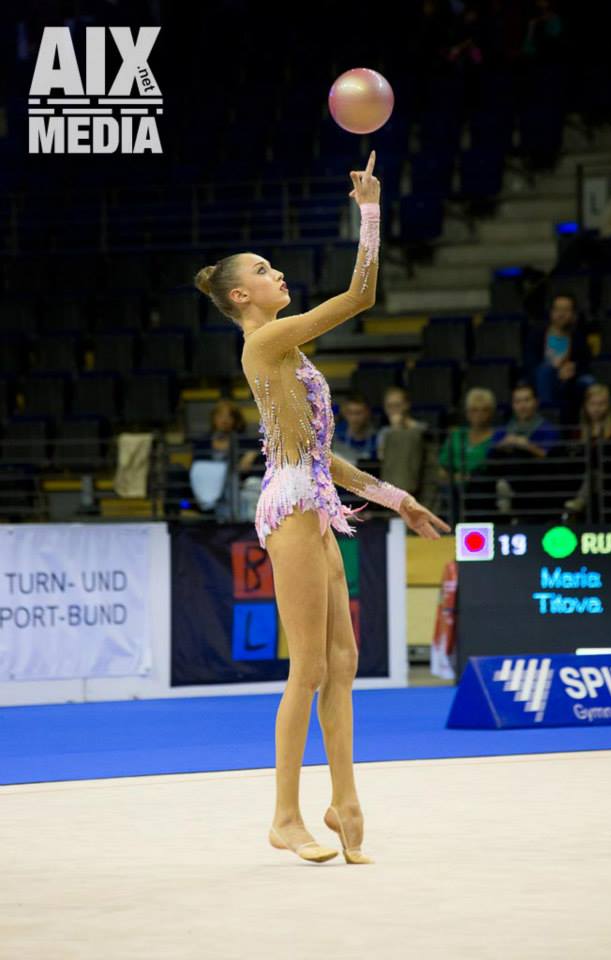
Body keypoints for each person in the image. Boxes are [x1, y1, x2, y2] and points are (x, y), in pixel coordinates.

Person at [194, 150, 450, 865]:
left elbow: (321, 459)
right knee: (306, 666)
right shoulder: (267, 340)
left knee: (343, 661)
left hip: (314, 500)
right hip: (292, 509)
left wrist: (397, 499)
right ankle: (284, 815)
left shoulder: (289, 358)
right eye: (263, 270)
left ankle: (345, 802)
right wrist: (369, 211)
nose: (277, 273)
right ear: (241, 295)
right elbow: (359, 298)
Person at [487, 381, 560, 516]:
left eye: (527, 400)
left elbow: (548, 455)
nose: (522, 406)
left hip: (535, 479)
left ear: (536, 402)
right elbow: (489, 455)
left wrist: (527, 445)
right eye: (518, 401)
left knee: (520, 455)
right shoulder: (503, 430)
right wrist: (504, 444)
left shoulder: (547, 429)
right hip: (504, 474)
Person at [524, 292, 594, 422]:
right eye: (557, 309)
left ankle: (583, 423)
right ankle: (547, 418)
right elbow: (530, 364)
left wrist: (573, 370)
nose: (561, 314)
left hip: (569, 382)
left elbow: (585, 364)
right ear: (551, 313)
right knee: (545, 370)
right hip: (543, 381)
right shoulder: (537, 335)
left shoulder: (578, 338)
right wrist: (555, 369)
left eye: (566, 310)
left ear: (573, 315)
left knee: (588, 381)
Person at [564, 383, 611, 516]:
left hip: (609, 479)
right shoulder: (578, 432)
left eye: (601, 404)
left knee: (595, 475)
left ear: (608, 406)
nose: (596, 409)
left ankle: (580, 502)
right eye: (592, 404)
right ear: (586, 405)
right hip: (580, 477)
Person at [437, 387, 498, 517]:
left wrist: (469, 477)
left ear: (491, 413)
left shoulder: (497, 438)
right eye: (474, 410)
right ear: (467, 413)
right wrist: (453, 477)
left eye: (484, 410)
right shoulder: (456, 435)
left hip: (482, 489)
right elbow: (441, 467)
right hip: (453, 487)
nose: (479, 414)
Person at [332, 393, 379, 464]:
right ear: (344, 413)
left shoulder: (376, 437)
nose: (354, 418)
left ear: (367, 413)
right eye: (350, 413)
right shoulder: (335, 435)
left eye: (358, 413)